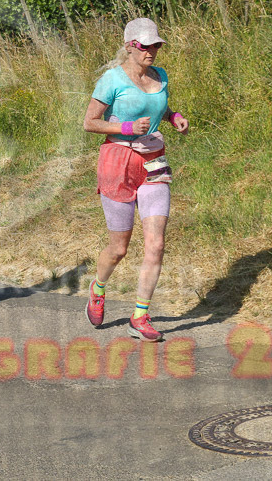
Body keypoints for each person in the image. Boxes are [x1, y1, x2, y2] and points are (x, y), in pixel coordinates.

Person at [83, 17, 189, 342]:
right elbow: (89, 122)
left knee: (156, 244)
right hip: (117, 162)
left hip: (154, 162)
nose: (152, 52)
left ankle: (139, 316)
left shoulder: (161, 77)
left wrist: (173, 117)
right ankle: (98, 288)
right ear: (131, 46)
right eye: (146, 46)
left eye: (156, 45)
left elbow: (159, 103)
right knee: (119, 248)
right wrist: (127, 128)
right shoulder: (111, 80)